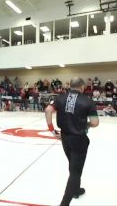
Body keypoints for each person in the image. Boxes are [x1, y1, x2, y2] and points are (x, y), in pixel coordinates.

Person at [45, 77, 99, 206]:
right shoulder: (87, 101)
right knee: (76, 171)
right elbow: (95, 123)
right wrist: (87, 125)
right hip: (79, 139)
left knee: (73, 165)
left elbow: (48, 110)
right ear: (82, 87)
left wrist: (52, 130)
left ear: (70, 86)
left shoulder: (60, 98)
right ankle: (64, 203)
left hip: (65, 137)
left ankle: (76, 190)